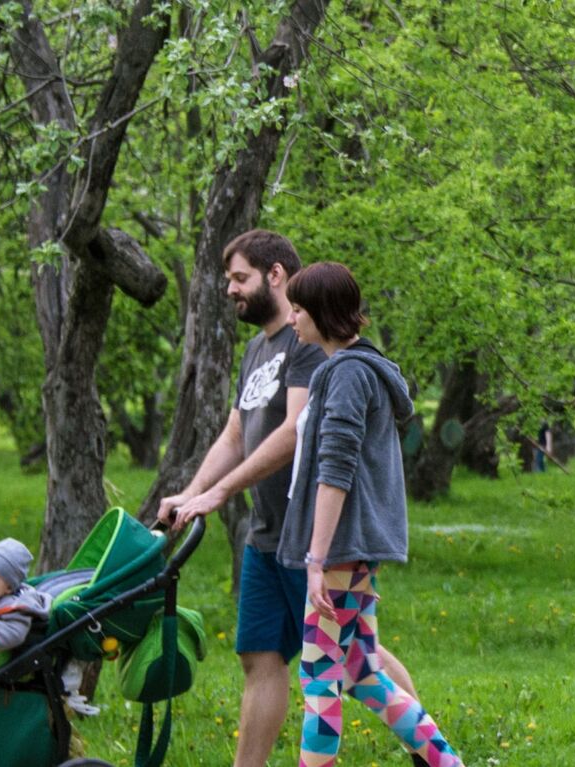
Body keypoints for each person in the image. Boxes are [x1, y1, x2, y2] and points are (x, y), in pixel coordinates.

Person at [156, 230, 417, 767]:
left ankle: (425, 749)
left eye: (240, 277)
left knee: (353, 660)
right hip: (267, 533)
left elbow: (297, 431)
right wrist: (194, 492)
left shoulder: (307, 345)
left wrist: (224, 491)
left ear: (275, 275)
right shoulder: (258, 348)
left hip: (311, 535)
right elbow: (235, 434)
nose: (230, 289)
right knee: (260, 657)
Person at [280, 262, 462, 767]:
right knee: (361, 672)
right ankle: (446, 764)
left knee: (320, 678)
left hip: (340, 547)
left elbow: (334, 471)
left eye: (298, 310)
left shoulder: (347, 375)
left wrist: (316, 559)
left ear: (321, 312)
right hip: (354, 547)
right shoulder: (352, 369)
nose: (292, 319)